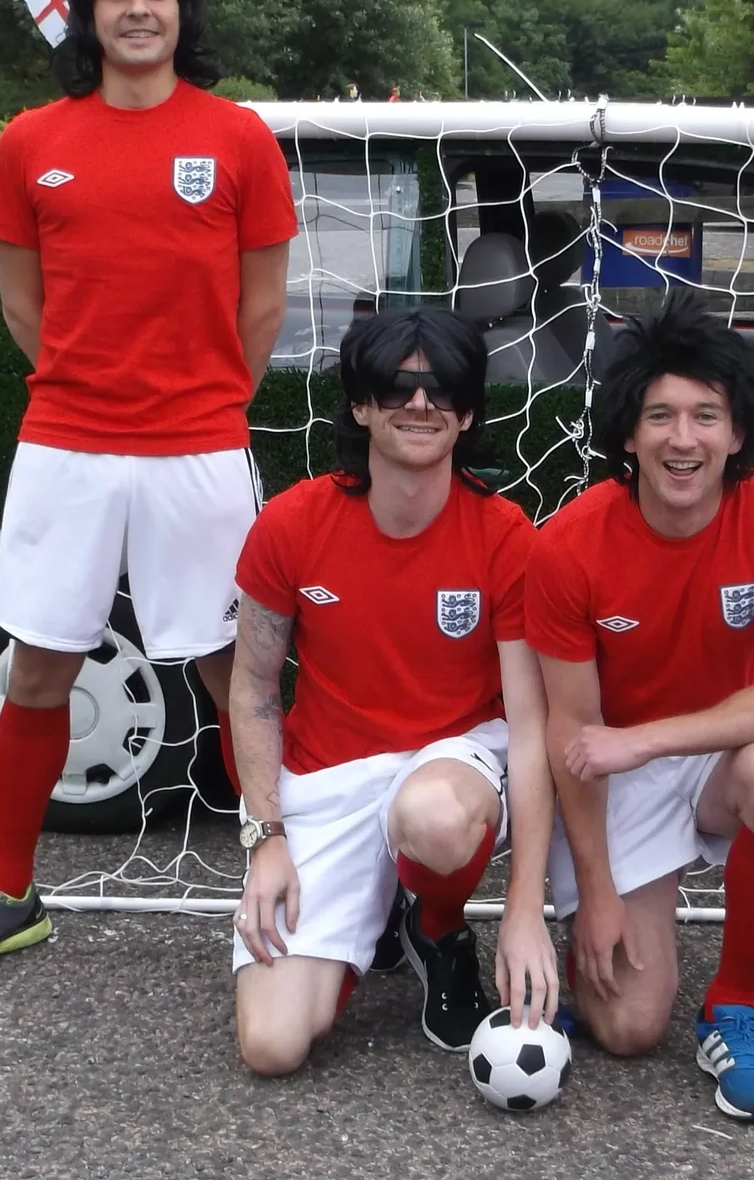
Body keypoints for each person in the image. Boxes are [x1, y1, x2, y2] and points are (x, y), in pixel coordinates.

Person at [0, 0, 297, 980]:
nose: (138, 8)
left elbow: (262, 306)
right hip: (68, 448)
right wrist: (99, 390)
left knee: (236, 674)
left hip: (199, 449)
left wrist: (199, 399)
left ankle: (285, 879)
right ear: (83, 11)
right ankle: (7, 893)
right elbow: (26, 307)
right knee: (40, 664)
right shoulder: (31, 142)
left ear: (183, 9)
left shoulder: (237, 139)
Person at [528, 291, 754, 1122]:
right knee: (627, 1028)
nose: (683, 437)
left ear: (737, 432)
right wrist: (595, 890)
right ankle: (575, 938)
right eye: (660, 415)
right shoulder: (568, 545)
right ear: (628, 433)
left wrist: (650, 739)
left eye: (707, 413)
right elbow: (571, 736)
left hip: (706, 754)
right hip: (611, 773)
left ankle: (732, 1002)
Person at [226, 308, 555, 1073]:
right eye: (398, 386)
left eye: (441, 387)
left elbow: (533, 723)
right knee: (272, 1045)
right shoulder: (289, 525)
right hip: (330, 775)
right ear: (361, 403)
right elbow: (252, 692)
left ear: (468, 411)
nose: (419, 403)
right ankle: (372, 911)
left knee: (432, 817)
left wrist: (523, 907)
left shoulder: (506, 535)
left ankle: (437, 927)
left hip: (454, 764)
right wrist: (265, 841)